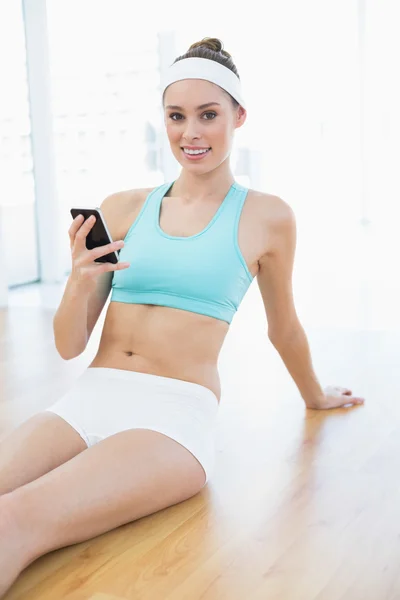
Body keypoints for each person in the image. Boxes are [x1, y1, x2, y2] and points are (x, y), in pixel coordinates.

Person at [0, 37, 365, 596]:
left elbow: (283, 326)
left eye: (208, 115)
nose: (190, 133)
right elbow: (70, 345)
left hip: (172, 418)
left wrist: (314, 395)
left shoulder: (267, 218)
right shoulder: (123, 207)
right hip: (88, 396)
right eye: (176, 116)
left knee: (16, 520)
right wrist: (78, 280)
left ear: (239, 116)